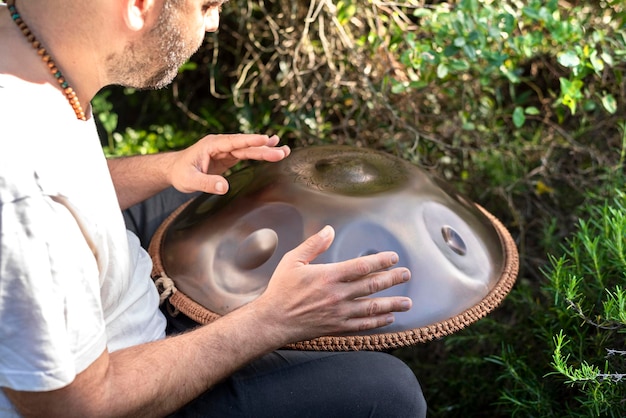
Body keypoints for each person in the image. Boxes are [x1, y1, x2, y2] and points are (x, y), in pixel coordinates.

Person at [0, 0, 427, 416]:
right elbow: (75, 408)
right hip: (120, 380)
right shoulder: (25, 195)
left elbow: (70, 186)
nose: (214, 23)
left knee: (206, 194)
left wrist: (168, 166)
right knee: (388, 393)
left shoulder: (26, 42)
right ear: (139, 5)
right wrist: (271, 320)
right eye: (207, 6)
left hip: (103, 292)